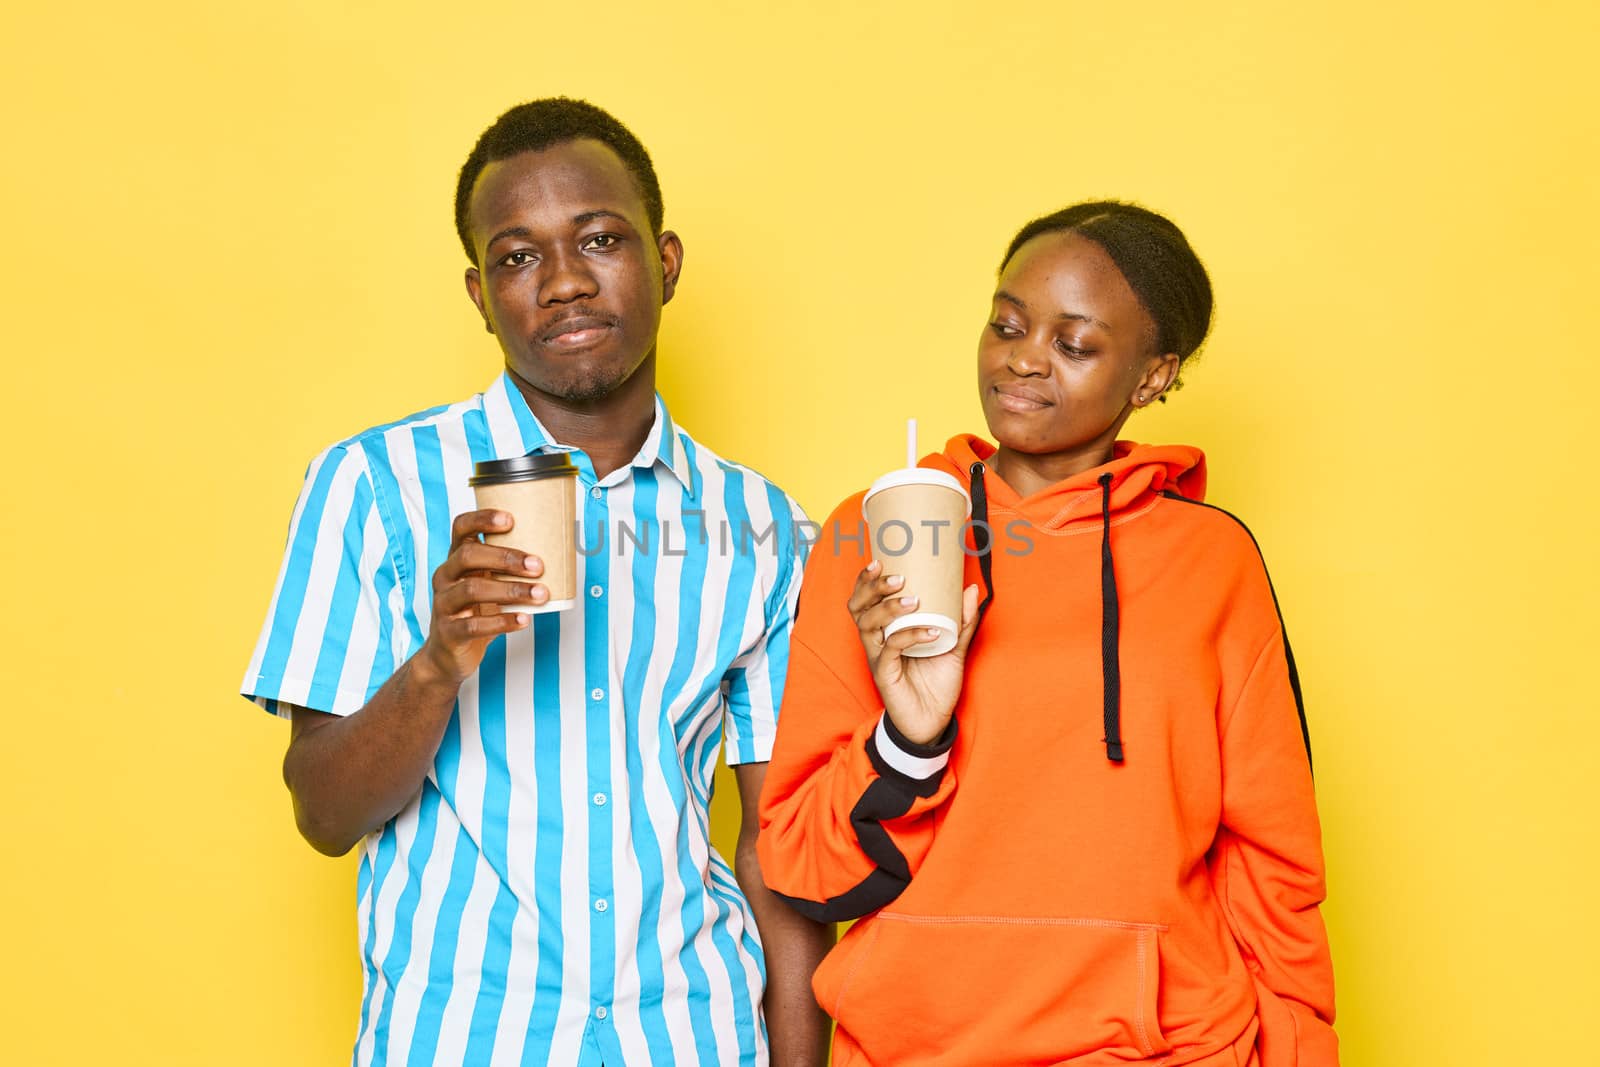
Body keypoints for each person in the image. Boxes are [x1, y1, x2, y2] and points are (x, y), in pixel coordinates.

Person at [241, 97, 832, 1067]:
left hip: (692, 1034)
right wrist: (440, 660)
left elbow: (776, 842)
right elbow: (323, 812)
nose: (563, 282)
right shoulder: (374, 484)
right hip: (459, 1037)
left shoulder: (761, 523)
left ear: (665, 261)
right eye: (518, 256)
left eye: (599, 238)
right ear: (479, 293)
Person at [756, 202, 1337, 1066]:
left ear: (1152, 375)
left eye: (1074, 342)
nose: (1023, 358)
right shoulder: (877, 535)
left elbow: (1273, 863)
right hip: (915, 1048)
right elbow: (803, 865)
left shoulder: (1215, 560)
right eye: (1007, 324)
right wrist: (910, 737)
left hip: (1168, 1049)